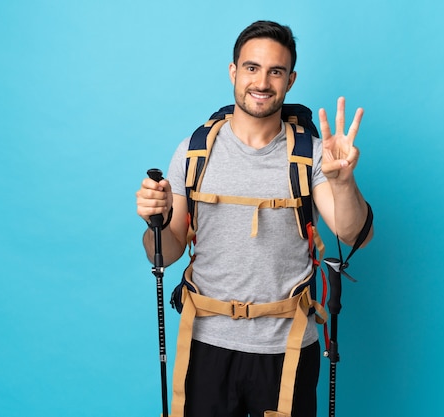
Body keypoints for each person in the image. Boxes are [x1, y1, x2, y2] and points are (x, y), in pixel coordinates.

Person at [136, 20, 373, 417]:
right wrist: (154, 224)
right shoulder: (194, 152)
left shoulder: (311, 154)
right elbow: (164, 254)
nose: (262, 82)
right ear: (233, 72)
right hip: (206, 343)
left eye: (275, 71)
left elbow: (355, 235)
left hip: (288, 347)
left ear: (290, 80)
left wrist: (344, 181)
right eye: (251, 68)